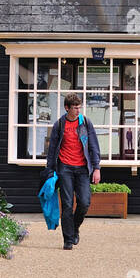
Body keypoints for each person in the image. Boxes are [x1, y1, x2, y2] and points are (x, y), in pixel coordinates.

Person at [43, 93, 101, 250]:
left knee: (84, 202)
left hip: (82, 168)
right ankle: (68, 239)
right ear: (66, 108)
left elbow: (93, 146)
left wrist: (96, 168)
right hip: (65, 169)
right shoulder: (59, 125)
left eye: (79, 107)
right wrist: (50, 171)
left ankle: (74, 228)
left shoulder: (85, 123)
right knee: (67, 204)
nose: (78, 110)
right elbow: (52, 149)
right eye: (75, 108)